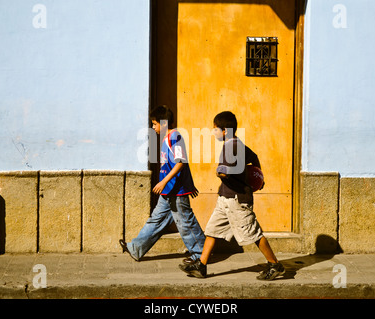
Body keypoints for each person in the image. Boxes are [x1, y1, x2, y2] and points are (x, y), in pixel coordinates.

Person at [179, 111, 285, 281]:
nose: (213, 132)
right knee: (212, 230)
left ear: (225, 131)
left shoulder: (231, 147)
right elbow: (254, 158)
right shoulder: (238, 144)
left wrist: (220, 173)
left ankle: (275, 265)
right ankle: (201, 265)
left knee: (254, 234)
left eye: (215, 129)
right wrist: (258, 177)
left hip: (237, 200)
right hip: (225, 198)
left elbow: (224, 172)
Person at [119, 106, 206, 262]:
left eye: (154, 124)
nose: (153, 128)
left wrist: (166, 182)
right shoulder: (167, 139)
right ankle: (135, 248)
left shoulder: (175, 137)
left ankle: (201, 254)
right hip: (168, 190)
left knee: (185, 222)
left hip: (176, 191)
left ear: (163, 123)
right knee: (156, 220)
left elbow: (181, 163)